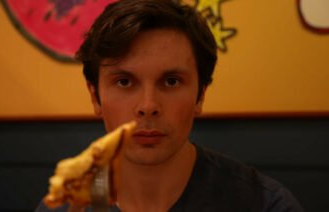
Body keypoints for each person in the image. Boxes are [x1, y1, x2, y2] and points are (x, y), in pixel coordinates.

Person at [36, 0, 303, 211]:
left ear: (200, 95)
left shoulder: (265, 205)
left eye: (172, 81)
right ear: (95, 97)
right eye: (125, 82)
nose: (148, 106)